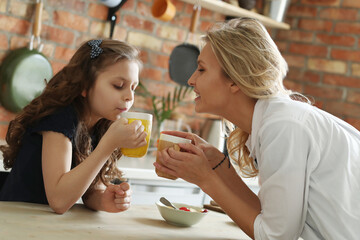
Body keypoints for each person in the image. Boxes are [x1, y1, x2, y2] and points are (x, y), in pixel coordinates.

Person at [154, 18, 360, 239]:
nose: (191, 79)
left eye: (202, 70)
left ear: (234, 80)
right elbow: (268, 217)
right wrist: (217, 166)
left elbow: (274, 236)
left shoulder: (283, 127)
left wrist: (206, 179)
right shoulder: (275, 121)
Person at [0, 39, 148, 214]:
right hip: (15, 217)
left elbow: (89, 190)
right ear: (85, 85)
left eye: (133, 88)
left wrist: (103, 199)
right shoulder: (60, 118)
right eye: (119, 86)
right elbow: (59, 200)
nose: (129, 97)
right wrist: (108, 145)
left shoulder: (102, 124)